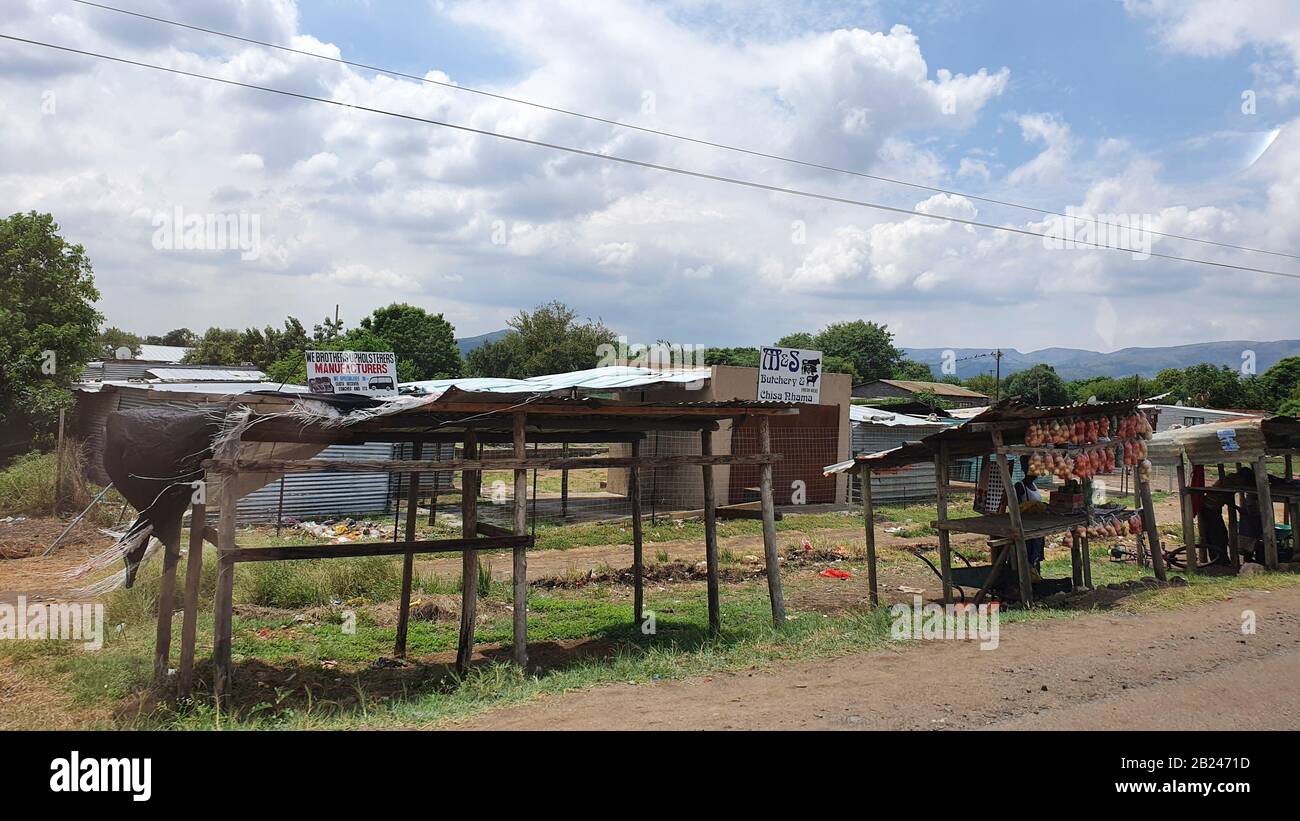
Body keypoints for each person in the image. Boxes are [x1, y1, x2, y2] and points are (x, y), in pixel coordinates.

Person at [1014, 455, 1046, 581]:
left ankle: (1036, 581)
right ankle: (1026, 584)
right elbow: (1014, 507)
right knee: (1027, 559)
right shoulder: (1020, 486)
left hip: (1037, 529)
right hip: (1026, 530)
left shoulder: (1035, 486)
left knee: (1036, 558)